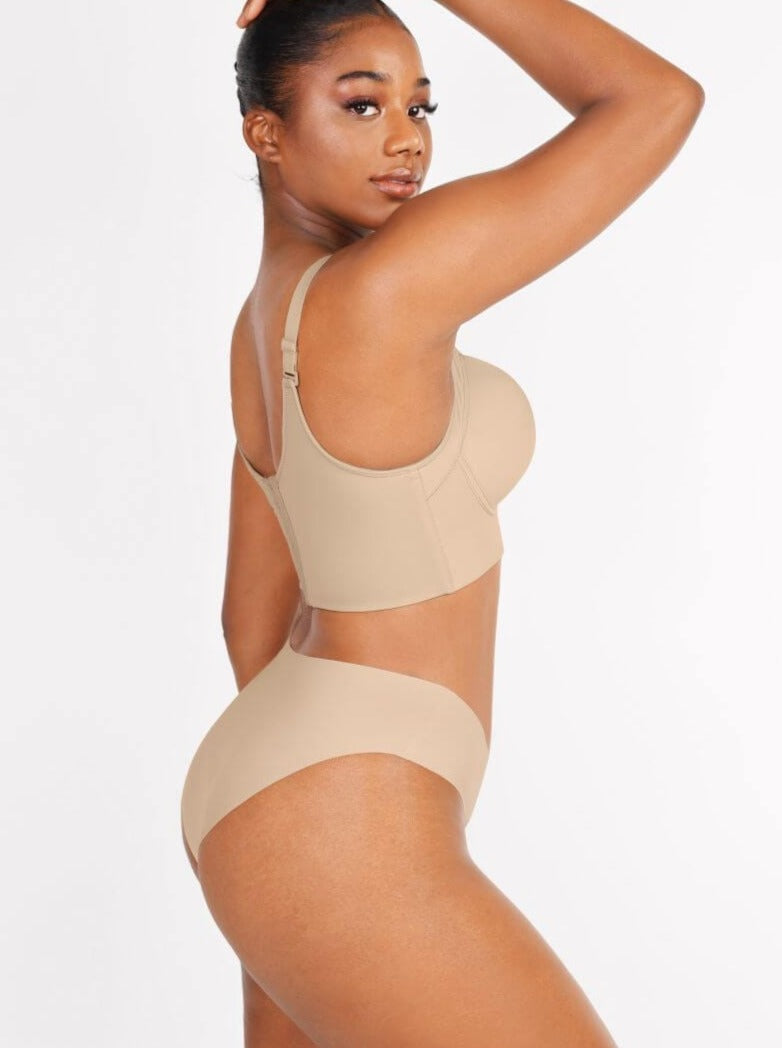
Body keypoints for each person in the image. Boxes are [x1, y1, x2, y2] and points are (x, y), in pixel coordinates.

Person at [179, 0, 704, 1043]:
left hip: (293, 794)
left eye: (419, 106)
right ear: (266, 133)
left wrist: (294, 826)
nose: (405, 139)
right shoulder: (383, 290)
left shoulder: (264, 321)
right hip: (335, 816)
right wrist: (334, 830)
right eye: (361, 104)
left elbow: (250, 619)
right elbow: (654, 100)